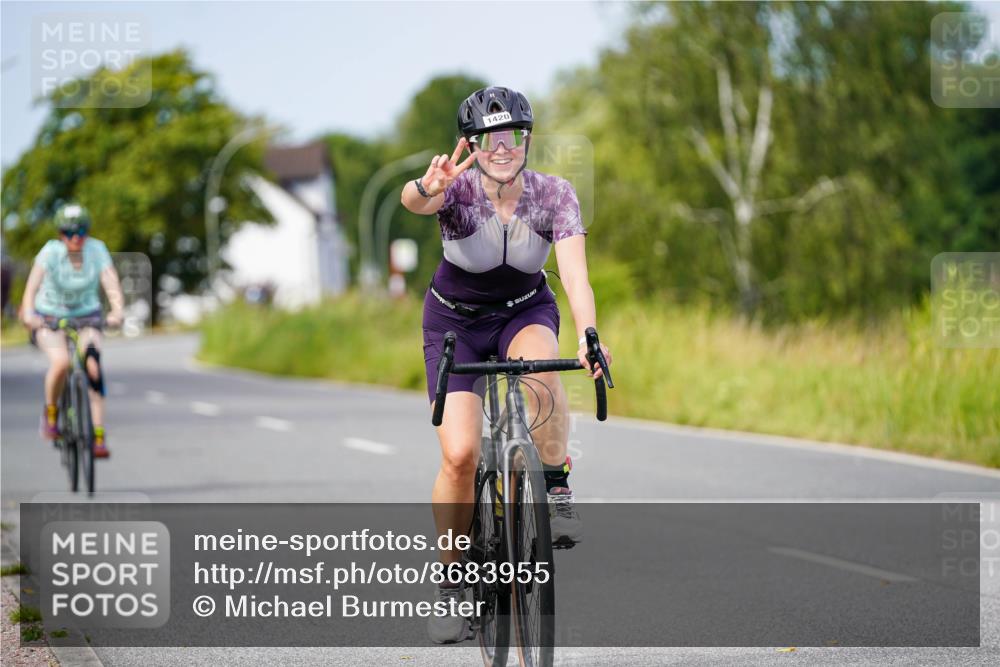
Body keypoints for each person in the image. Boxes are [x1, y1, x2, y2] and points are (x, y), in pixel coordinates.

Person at [401, 86, 612, 643]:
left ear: (526, 140)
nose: (502, 148)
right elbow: (411, 201)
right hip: (455, 323)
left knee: (542, 366)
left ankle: (556, 486)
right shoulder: (455, 190)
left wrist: (590, 336)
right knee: (461, 456)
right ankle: (451, 586)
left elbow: (574, 277)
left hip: (524, 310)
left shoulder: (554, 195)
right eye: (490, 139)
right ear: (472, 143)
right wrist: (429, 187)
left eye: (512, 136)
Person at [19, 203, 124, 458]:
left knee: (93, 366)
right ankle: (51, 414)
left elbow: (110, 282)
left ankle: (98, 436)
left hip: (87, 315)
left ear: (87, 232)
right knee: (62, 362)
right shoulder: (51, 252)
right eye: (68, 233)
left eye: (81, 232)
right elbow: (31, 290)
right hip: (50, 316)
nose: (75, 238)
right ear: (60, 234)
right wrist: (29, 314)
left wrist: (117, 310)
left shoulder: (96, 249)